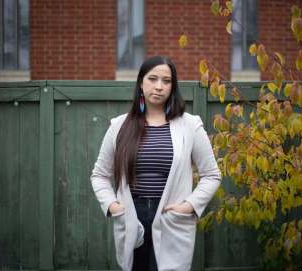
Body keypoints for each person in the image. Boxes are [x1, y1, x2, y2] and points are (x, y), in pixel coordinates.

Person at [90, 55, 221, 271]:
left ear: (172, 87)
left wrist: (188, 206)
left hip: (171, 215)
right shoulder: (119, 126)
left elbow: (212, 174)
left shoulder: (190, 125)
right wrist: (113, 206)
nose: (159, 86)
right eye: (153, 79)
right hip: (132, 216)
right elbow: (100, 175)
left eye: (166, 81)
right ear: (141, 83)